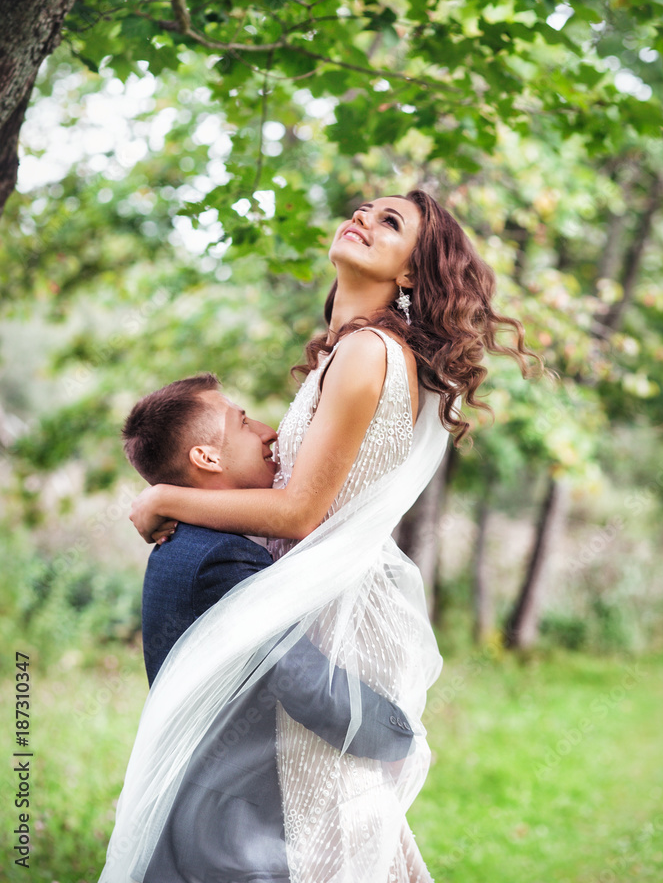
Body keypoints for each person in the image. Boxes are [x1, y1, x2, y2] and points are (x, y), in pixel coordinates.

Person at [100, 190, 542, 883]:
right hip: (317, 598)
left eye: (390, 222)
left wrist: (163, 494)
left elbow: (302, 514)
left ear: (408, 275)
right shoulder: (351, 353)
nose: (364, 217)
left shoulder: (368, 351)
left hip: (335, 614)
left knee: (321, 826)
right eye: (365, 208)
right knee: (322, 823)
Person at [122, 373, 415, 879]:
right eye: (241, 421)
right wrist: (396, 737)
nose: (267, 431)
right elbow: (304, 682)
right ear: (206, 458)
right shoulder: (218, 558)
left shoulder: (186, 541)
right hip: (233, 833)